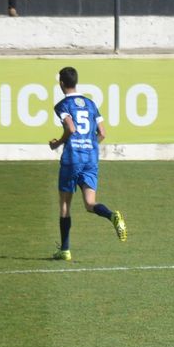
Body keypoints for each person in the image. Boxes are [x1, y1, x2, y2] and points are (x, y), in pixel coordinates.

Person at [48, 65, 128, 259]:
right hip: (90, 157)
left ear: (61, 83)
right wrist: (90, 145)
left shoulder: (62, 106)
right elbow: (102, 133)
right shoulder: (91, 104)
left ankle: (65, 249)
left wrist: (58, 142)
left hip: (72, 158)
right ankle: (111, 215)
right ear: (75, 82)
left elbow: (71, 128)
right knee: (90, 203)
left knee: (65, 205)